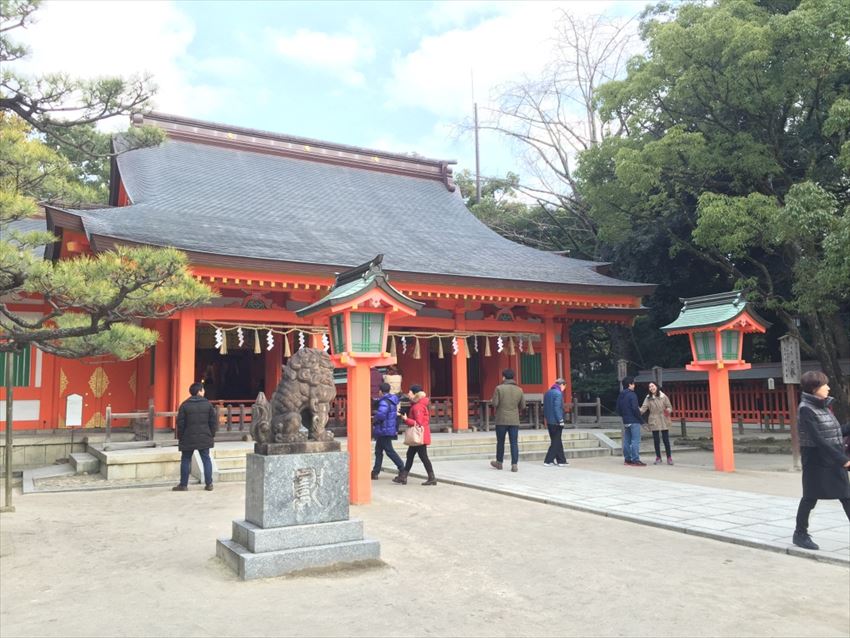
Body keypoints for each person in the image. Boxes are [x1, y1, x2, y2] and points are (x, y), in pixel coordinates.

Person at [792, 371, 850, 551]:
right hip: (816, 459)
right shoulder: (806, 409)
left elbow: (833, 433)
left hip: (831, 457)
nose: (828, 387)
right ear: (814, 388)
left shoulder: (822, 406)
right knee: (810, 497)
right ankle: (800, 534)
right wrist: (842, 459)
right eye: (825, 384)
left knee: (846, 497)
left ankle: (800, 533)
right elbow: (818, 439)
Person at [173, 382, 218, 492]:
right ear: (199, 391)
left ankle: (183, 485)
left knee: (185, 459)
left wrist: (181, 437)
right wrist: (211, 434)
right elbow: (213, 422)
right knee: (206, 459)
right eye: (203, 389)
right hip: (204, 437)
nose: (204, 391)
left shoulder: (184, 405)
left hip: (188, 437)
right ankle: (209, 484)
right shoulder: (208, 405)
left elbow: (181, 423)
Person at [393, 384, 436, 486]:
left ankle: (431, 478)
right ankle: (403, 477)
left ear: (415, 394)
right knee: (411, 455)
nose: (408, 394)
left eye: (410, 392)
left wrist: (406, 419)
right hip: (421, 434)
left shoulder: (417, 407)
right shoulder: (418, 405)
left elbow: (418, 422)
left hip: (419, 435)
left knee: (422, 456)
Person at [490, 369, 525, 472]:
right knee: (514, 442)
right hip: (514, 420)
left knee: (500, 442)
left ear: (504, 377)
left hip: (501, 419)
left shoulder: (499, 388)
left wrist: (492, 400)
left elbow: (495, 404)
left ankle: (499, 463)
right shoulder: (519, 390)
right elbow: (523, 405)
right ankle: (514, 465)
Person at [371, 382, 404, 480]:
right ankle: (375, 472)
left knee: (389, 451)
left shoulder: (384, 401)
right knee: (378, 451)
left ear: (380, 391)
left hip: (383, 429)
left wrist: (374, 418)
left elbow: (381, 415)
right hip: (387, 428)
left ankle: (402, 468)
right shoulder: (392, 400)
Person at [641, 382, 674, 465]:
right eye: (650, 387)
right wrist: (636, 411)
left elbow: (669, 406)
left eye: (653, 386)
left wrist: (668, 411)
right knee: (656, 440)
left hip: (663, 418)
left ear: (656, 386)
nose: (651, 388)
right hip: (654, 418)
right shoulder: (648, 398)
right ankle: (658, 457)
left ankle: (669, 457)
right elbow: (643, 408)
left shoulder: (663, 396)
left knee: (666, 439)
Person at [616, 376, 645, 466]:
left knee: (627, 440)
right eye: (633, 383)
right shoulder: (632, 394)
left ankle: (627, 459)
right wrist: (641, 420)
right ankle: (636, 459)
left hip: (625, 420)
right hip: (634, 420)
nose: (634, 385)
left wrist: (624, 416)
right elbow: (635, 409)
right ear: (630, 384)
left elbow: (618, 408)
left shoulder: (621, 395)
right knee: (635, 440)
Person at [543, 378, 568, 467]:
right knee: (556, 442)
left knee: (557, 440)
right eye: (564, 386)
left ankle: (561, 460)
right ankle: (548, 460)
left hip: (549, 420)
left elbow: (545, 407)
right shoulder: (558, 393)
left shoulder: (548, 392)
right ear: (562, 385)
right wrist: (560, 420)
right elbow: (557, 408)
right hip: (556, 421)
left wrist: (546, 418)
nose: (564, 388)